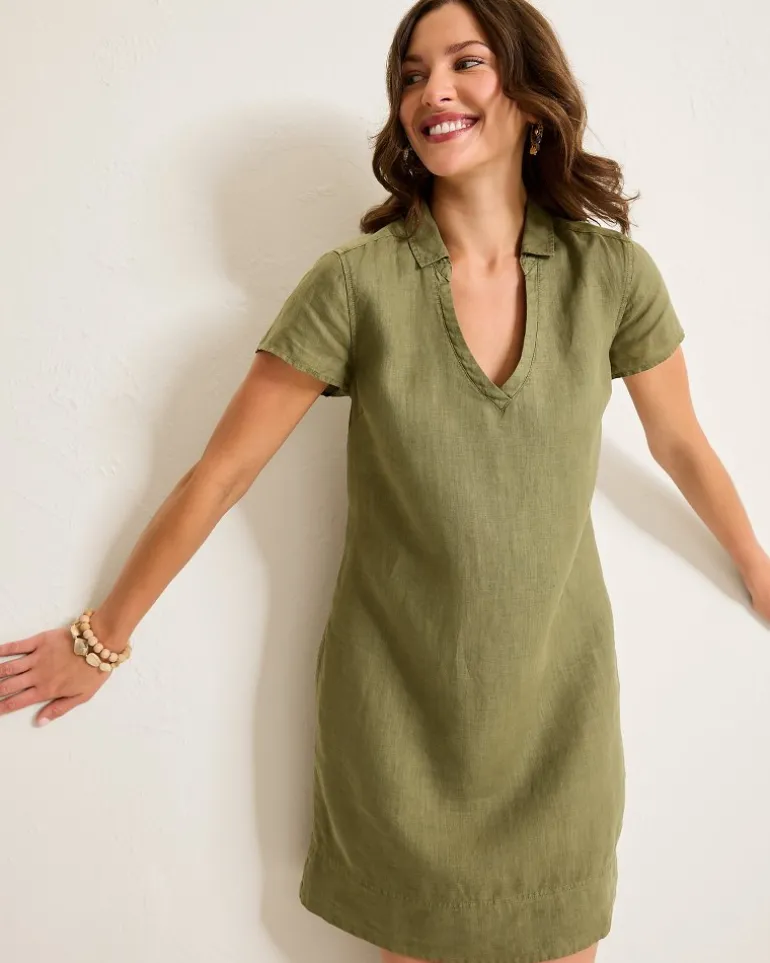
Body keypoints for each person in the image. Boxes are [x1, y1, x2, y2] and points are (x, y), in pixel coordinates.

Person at [2, 0, 768, 961]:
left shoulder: (611, 276)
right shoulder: (356, 283)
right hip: (401, 725)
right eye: (412, 75)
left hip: (558, 722)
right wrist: (101, 637)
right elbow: (224, 471)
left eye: (465, 63)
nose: (432, 90)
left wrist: (758, 568)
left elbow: (681, 443)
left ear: (530, 94)